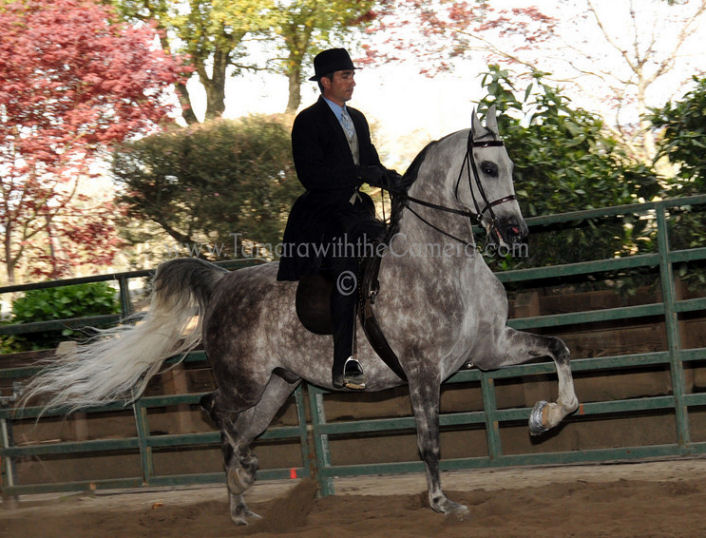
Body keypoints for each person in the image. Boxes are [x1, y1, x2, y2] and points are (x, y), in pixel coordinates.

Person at [277, 48, 404, 390]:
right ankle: (343, 364)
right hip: (322, 215)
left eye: (352, 75)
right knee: (346, 271)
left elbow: (371, 162)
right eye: (345, 76)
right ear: (325, 82)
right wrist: (359, 173)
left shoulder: (357, 119)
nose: (352, 82)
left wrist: (394, 179)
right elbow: (311, 176)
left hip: (355, 212)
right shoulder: (308, 121)